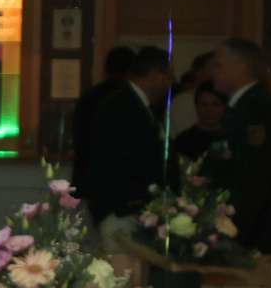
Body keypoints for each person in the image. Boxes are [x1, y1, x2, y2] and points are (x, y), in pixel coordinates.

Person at [208, 37, 271, 254]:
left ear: (242, 67)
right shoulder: (242, 105)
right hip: (247, 226)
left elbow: (255, 177)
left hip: (256, 231)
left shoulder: (257, 109)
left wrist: (236, 234)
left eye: (219, 65)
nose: (212, 72)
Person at [78, 46, 172, 231]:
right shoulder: (122, 105)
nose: (170, 84)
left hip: (125, 207)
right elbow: (123, 160)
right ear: (157, 76)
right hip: (122, 209)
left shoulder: (134, 103)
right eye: (168, 77)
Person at [68, 45, 135, 188]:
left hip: (86, 173)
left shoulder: (89, 96)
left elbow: (79, 136)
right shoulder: (129, 98)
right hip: (119, 178)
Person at [171, 79, 228, 170]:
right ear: (196, 106)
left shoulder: (232, 138)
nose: (209, 110)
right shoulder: (184, 140)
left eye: (215, 104)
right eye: (204, 105)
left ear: (224, 107)